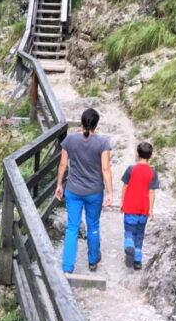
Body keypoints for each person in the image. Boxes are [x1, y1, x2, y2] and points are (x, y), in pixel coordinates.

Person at [55, 108, 112, 273]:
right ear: (96, 123)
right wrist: (109, 193)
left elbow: (63, 165)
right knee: (93, 225)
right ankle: (93, 260)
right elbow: (105, 169)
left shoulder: (69, 140)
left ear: (82, 121)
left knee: (72, 227)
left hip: (73, 190)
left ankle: (67, 266)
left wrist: (59, 185)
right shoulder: (103, 143)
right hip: (94, 192)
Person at [120, 141, 159, 271]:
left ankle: (129, 245)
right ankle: (137, 260)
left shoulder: (131, 169)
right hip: (143, 210)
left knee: (129, 231)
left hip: (130, 208)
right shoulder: (153, 172)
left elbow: (125, 187)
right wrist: (151, 210)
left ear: (137, 154)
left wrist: (122, 203)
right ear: (151, 155)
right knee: (140, 234)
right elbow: (151, 192)